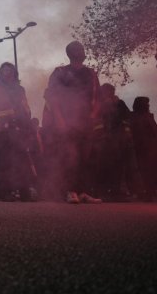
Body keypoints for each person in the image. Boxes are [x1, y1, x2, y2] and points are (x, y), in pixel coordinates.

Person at [43, 41, 102, 204]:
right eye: (77, 49)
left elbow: (98, 99)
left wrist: (93, 116)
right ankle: (69, 191)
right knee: (69, 157)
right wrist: (60, 120)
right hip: (67, 120)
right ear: (70, 53)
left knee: (85, 157)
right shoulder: (60, 72)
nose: (81, 51)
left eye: (82, 48)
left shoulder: (91, 73)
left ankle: (83, 191)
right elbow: (52, 98)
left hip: (85, 122)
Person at [0, 63, 33, 201]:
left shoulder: (20, 90)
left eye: (10, 71)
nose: (7, 73)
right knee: (3, 161)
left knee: (22, 160)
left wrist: (25, 123)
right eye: (4, 71)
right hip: (1, 131)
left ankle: (24, 191)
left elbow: (26, 108)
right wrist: (5, 117)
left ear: (14, 73)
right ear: (0, 73)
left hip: (18, 129)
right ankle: (3, 192)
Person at [130, 97, 157, 201]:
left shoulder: (149, 117)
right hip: (142, 149)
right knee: (144, 171)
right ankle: (145, 192)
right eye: (146, 103)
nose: (148, 105)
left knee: (151, 171)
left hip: (152, 149)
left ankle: (150, 192)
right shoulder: (135, 118)